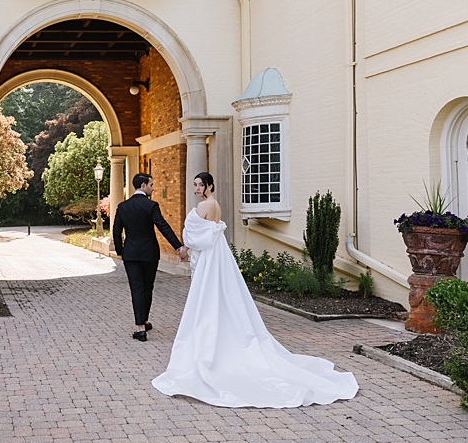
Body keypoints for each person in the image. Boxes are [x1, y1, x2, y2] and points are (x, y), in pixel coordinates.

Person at [152, 172, 358, 407]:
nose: (197, 188)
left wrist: (184, 248)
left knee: (207, 297)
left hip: (210, 257)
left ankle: (208, 348)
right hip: (218, 255)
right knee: (223, 294)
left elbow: (195, 237)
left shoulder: (204, 207)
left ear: (210, 185)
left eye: (201, 185)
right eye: (196, 185)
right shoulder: (215, 205)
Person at [112, 170, 186, 341]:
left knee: (136, 289)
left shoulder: (123, 207)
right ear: (143, 185)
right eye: (151, 185)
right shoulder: (151, 206)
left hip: (131, 254)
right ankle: (143, 321)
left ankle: (141, 327)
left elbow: (117, 232)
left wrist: (121, 251)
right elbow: (163, 226)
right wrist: (178, 246)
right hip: (149, 253)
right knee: (147, 287)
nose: (153, 188)